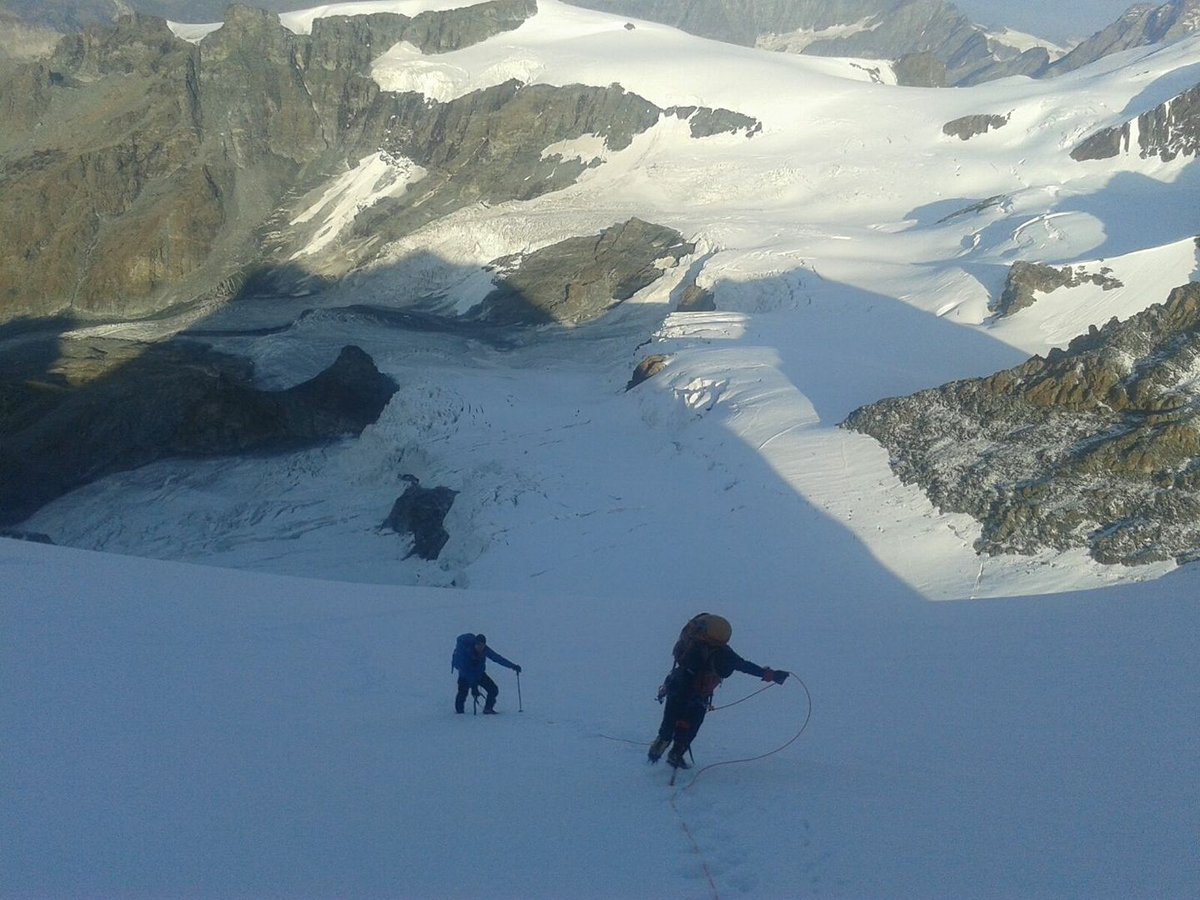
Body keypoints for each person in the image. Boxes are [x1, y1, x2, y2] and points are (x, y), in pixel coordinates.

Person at [649, 613, 789, 768]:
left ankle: (657, 751)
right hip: (697, 696)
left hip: (676, 687)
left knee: (670, 722)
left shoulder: (689, 641)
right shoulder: (723, 653)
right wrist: (770, 675)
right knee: (691, 726)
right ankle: (675, 754)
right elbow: (743, 665)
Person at [451, 633, 521, 714]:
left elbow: (497, 658)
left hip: (479, 674)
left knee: (493, 689)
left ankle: (488, 709)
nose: (480, 647)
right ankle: (459, 714)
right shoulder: (466, 652)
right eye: (478, 645)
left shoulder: (485, 650)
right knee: (463, 693)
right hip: (464, 675)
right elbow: (465, 670)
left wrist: (513, 666)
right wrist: (474, 687)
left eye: (482, 645)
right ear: (475, 643)